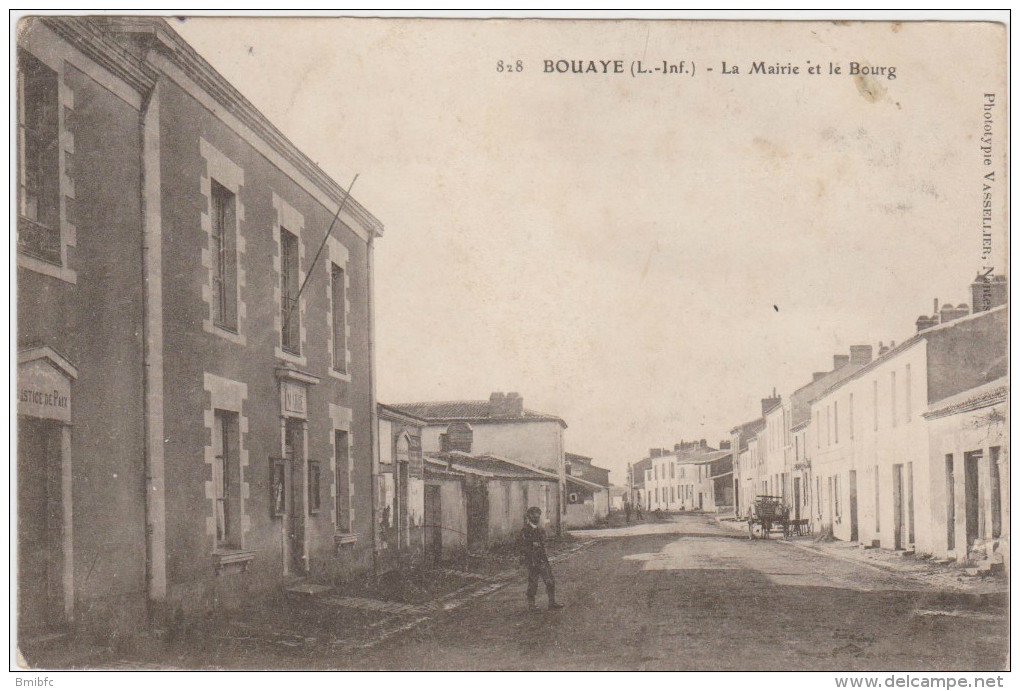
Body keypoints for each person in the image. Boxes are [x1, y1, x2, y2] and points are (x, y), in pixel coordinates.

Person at [520, 506, 564, 610]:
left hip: (542, 559)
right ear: (529, 517)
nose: (536, 518)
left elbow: (544, 543)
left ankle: (552, 603)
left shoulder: (540, 530)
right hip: (532, 560)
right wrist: (531, 546)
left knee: (550, 580)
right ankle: (531, 605)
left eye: (538, 516)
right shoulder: (525, 531)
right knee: (533, 582)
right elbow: (521, 546)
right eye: (534, 516)